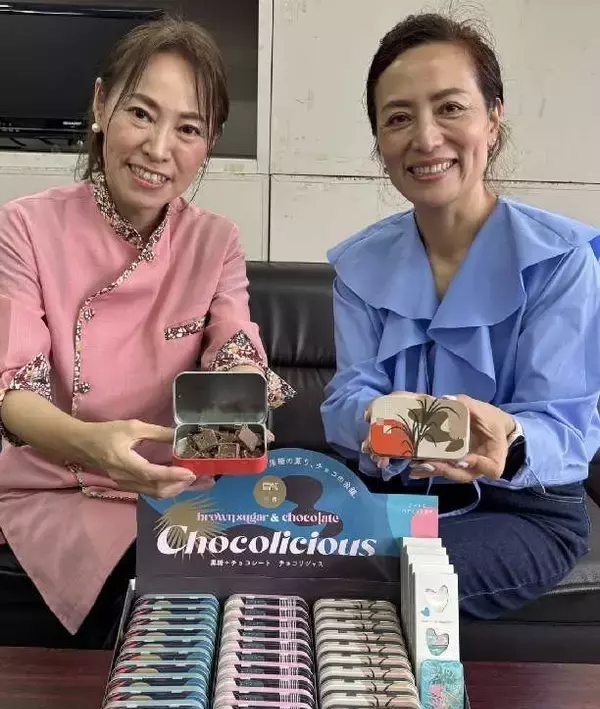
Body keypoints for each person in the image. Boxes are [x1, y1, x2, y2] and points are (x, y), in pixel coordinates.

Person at [0, 17, 293, 647]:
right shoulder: (25, 228)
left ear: (209, 143)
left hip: (180, 486)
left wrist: (241, 399)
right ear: (101, 106)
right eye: (141, 113)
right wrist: (92, 444)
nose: (159, 149)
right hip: (63, 485)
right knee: (154, 597)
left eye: (188, 128)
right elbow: (14, 392)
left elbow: (234, 345)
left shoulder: (215, 240)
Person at [321, 13, 600, 620]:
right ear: (379, 141)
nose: (426, 139)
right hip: (393, 493)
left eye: (450, 108)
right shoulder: (360, 265)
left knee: (382, 583)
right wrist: (373, 416)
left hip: (519, 507)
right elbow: (346, 398)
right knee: (258, 552)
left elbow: (568, 427)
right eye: (399, 118)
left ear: (493, 121)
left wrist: (511, 441)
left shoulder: (561, 260)